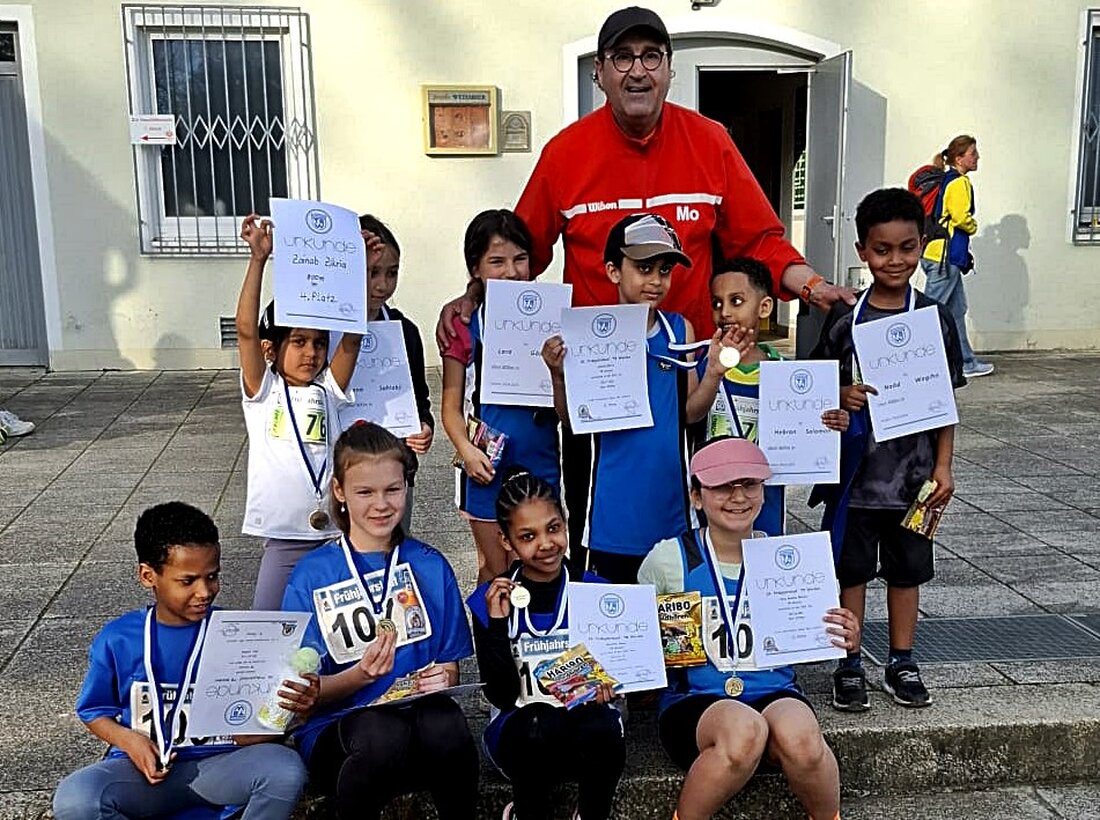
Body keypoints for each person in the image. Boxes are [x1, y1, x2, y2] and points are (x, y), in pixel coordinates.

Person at [437, 6, 854, 552]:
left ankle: (695, 620)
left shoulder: (711, 142)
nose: (638, 71)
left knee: (697, 512)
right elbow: (522, 253)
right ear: (600, 72)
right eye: (622, 57)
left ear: (669, 68)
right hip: (597, 375)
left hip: (690, 369)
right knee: (595, 519)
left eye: (651, 56)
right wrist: (474, 295)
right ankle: (608, 613)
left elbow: (759, 241)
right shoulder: (565, 154)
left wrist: (813, 286)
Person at [637, 438, 859, 820]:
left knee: (803, 739)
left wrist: (844, 634)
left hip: (774, 691)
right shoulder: (668, 559)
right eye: (722, 485)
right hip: (697, 702)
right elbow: (637, 639)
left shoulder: (788, 561)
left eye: (749, 484)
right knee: (743, 731)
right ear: (696, 496)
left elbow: (818, 630)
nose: (737, 496)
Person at [52, 501, 316, 820]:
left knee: (285, 769)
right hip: (143, 774)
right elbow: (94, 711)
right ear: (148, 575)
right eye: (188, 581)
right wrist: (128, 740)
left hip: (222, 767)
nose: (205, 591)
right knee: (76, 798)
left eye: (212, 576)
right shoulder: (118, 639)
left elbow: (263, 725)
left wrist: (287, 715)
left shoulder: (242, 634)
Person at [810, 188, 966, 711]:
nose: (894, 260)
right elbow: (813, 386)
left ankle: (902, 658)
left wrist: (943, 467)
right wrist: (838, 394)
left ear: (921, 245)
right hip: (856, 480)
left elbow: (946, 401)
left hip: (916, 481)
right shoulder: (845, 320)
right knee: (850, 571)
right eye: (882, 250)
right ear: (862, 251)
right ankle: (849, 661)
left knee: (908, 571)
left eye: (906, 248)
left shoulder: (936, 317)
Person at [281, 421, 478, 820]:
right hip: (343, 735)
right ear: (339, 492)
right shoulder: (313, 575)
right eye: (365, 492)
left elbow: (449, 666)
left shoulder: (430, 565)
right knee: (379, 731)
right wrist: (361, 677)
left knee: (447, 720)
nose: (381, 505)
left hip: (418, 727)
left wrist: (444, 679)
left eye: (393, 489)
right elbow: (303, 693)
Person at [542, 212, 698, 583]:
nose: (656, 281)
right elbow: (571, 420)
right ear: (613, 271)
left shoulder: (679, 329)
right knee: (613, 618)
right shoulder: (587, 331)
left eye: (664, 270)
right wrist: (558, 375)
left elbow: (690, 411)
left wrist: (714, 373)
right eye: (644, 268)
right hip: (610, 512)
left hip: (671, 505)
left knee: (673, 622)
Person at [468, 468, 625, 820]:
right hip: (522, 737)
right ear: (505, 541)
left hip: (586, 735)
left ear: (566, 523)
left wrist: (611, 685)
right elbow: (502, 695)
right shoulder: (488, 600)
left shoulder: (596, 590)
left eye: (553, 528)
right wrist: (495, 625)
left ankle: (591, 814)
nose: (545, 544)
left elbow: (621, 671)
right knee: (538, 721)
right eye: (528, 536)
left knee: (600, 721)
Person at [235, 214, 367, 610]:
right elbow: (245, 329)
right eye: (298, 341)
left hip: (334, 537)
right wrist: (258, 260)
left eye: (319, 343)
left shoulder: (328, 388)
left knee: (330, 632)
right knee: (268, 627)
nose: (311, 353)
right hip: (285, 538)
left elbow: (354, 337)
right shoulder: (264, 390)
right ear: (271, 348)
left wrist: (353, 265)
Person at [685, 257, 850, 536]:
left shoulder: (787, 376)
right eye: (717, 303)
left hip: (765, 505)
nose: (724, 312)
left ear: (764, 307)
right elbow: (690, 415)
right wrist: (714, 374)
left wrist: (833, 422)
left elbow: (812, 433)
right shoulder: (702, 365)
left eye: (736, 301)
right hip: (711, 505)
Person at [441, 209, 561, 583]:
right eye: (496, 261)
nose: (511, 271)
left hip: (540, 457)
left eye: (520, 259)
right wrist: (466, 449)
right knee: (495, 571)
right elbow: (449, 404)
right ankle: (492, 642)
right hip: (486, 465)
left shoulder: (553, 314)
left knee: (542, 566)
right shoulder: (463, 323)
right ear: (474, 268)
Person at [344, 213, 435, 532]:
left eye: (391, 273)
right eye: (371, 273)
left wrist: (424, 426)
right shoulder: (323, 332)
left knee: (392, 550)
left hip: (393, 470)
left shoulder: (404, 331)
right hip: (343, 469)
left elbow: (419, 397)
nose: (382, 285)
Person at [921, 135, 994, 378]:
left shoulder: (948, 180)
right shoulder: (959, 183)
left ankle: (965, 361)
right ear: (959, 158)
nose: (977, 157)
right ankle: (912, 359)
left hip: (938, 254)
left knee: (956, 309)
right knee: (928, 311)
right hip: (944, 257)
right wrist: (973, 226)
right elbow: (960, 217)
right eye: (973, 153)